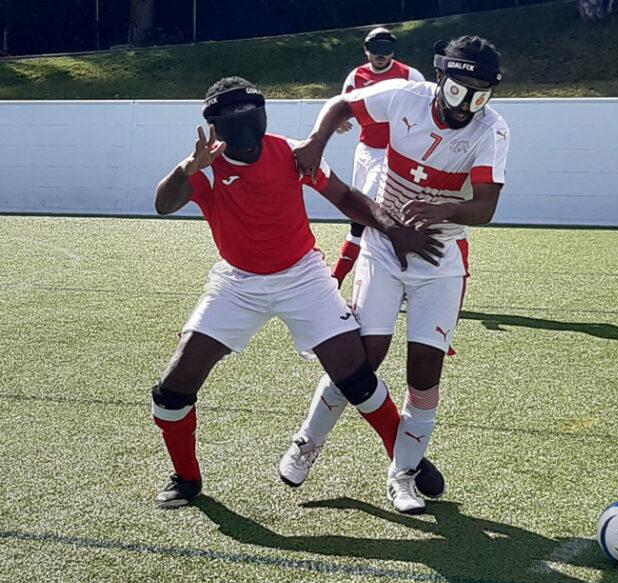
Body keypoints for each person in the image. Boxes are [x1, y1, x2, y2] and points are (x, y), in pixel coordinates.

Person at [150, 76, 445, 509]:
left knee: (357, 375)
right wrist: (185, 170)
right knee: (173, 389)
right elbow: (163, 203)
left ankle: (408, 461)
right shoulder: (204, 166)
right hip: (238, 283)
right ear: (215, 124)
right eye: (229, 116)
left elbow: (345, 196)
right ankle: (186, 479)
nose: (242, 126)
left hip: (302, 276)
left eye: (245, 112)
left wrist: (393, 230)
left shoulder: (291, 153)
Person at [283, 35, 510, 514]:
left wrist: (442, 208)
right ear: (440, 79)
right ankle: (308, 442)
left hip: (442, 260)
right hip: (383, 249)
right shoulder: (406, 95)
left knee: (424, 375)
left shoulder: (493, 129)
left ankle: (402, 475)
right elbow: (342, 104)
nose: (467, 104)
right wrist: (316, 141)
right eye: (457, 90)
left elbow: (486, 206)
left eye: (480, 94)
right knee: (364, 357)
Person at [330, 26, 426, 289]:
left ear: (393, 50)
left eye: (385, 49)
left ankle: (335, 280)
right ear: (366, 50)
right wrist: (338, 124)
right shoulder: (356, 76)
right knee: (362, 213)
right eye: (375, 49)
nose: (380, 56)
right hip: (364, 152)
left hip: (394, 154)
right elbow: (342, 106)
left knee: (368, 214)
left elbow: (427, 106)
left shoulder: (409, 75)